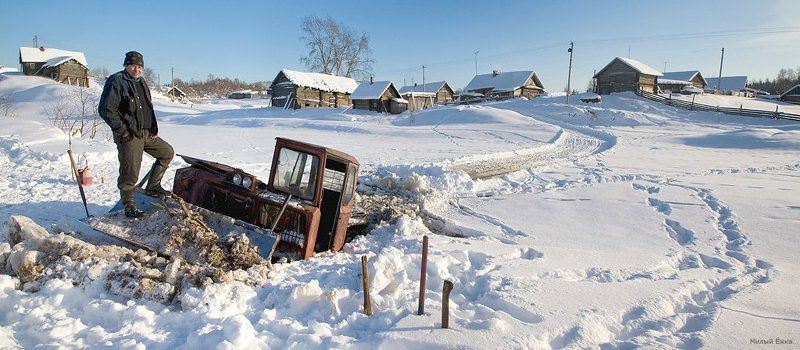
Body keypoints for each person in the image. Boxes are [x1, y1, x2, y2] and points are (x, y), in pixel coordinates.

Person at [99, 51, 174, 218]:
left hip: (146, 132)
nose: (137, 69)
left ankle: (153, 186)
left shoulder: (141, 82)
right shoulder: (117, 81)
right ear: (126, 65)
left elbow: (147, 108)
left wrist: (153, 129)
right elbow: (106, 109)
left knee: (167, 152)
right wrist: (122, 131)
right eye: (133, 66)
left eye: (139, 67)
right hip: (129, 134)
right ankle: (129, 206)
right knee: (130, 170)